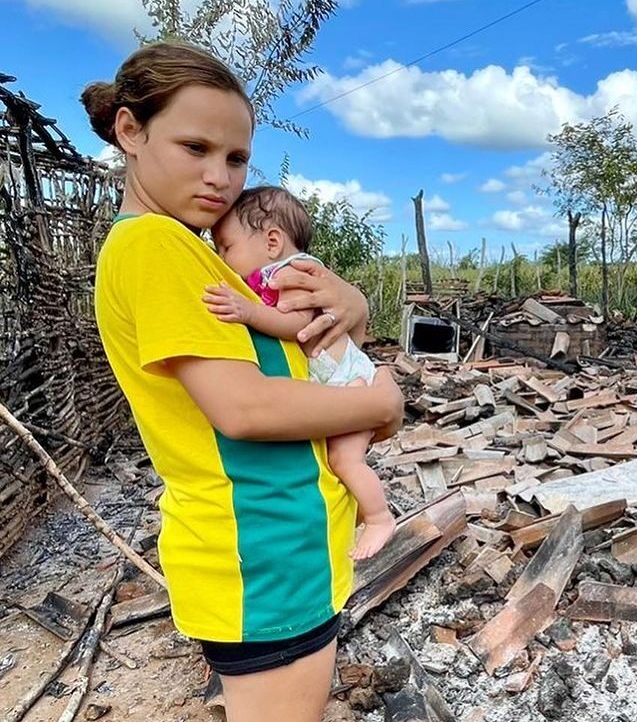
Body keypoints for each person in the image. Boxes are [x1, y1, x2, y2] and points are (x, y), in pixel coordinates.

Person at [83, 41, 404, 722]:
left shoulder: (191, 249)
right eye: (194, 147)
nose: (219, 176)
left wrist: (354, 304)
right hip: (261, 554)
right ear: (130, 131)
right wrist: (378, 397)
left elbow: (296, 345)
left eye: (234, 158)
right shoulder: (154, 245)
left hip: (277, 550)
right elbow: (245, 406)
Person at [206, 185, 395, 560]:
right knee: (333, 460)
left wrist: (247, 312)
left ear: (272, 240)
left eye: (226, 247)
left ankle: (379, 517)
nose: (221, 258)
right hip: (339, 375)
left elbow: (297, 326)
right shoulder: (279, 272)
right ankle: (359, 514)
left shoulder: (290, 274)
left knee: (345, 460)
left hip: (346, 379)